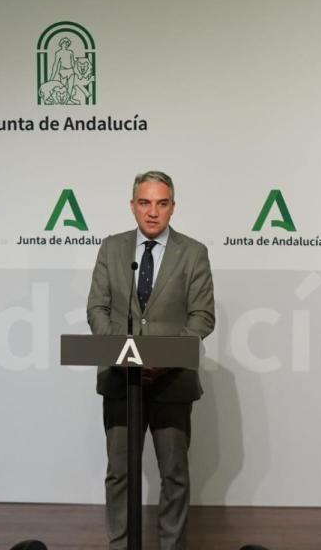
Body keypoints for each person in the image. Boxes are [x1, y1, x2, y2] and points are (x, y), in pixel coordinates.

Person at [87, 171, 215, 550]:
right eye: (145, 202)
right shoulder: (111, 248)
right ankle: (121, 545)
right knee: (119, 473)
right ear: (133, 206)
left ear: (172, 207)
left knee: (174, 474)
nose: (153, 212)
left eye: (161, 203)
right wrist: (124, 355)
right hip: (119, 379)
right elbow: (98, 308)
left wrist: (163, 358)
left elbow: (202, 317)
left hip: (172, 381)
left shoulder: (193, 253)